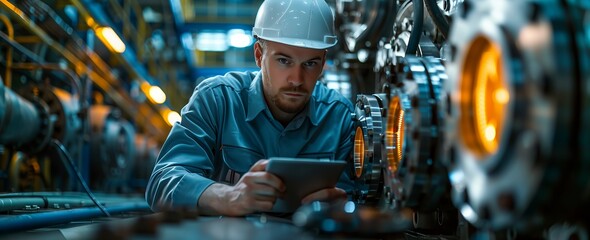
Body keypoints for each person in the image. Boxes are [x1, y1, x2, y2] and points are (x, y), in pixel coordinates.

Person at [145, 0, 355, 216]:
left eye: (310, 63)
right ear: (258, 55)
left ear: (323, 63)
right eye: (284, 60)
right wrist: (229, 197)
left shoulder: (339, 117)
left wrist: (343, 207)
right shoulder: (217, 100)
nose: (297, 80)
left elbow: (359, 200)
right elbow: (162, 182)